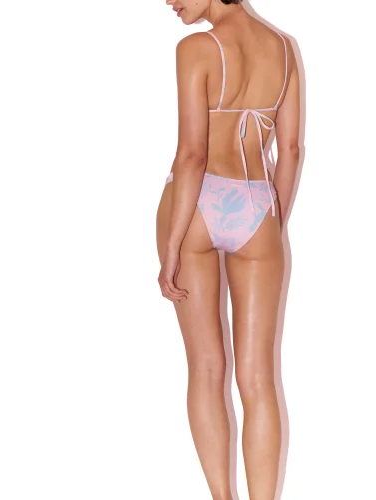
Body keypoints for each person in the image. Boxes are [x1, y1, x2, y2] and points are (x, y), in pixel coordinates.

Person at [156, 0, 300, 498]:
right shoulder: (284, 49)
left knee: (206, 368)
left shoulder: (196, 49)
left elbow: (192, 154)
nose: (168, 1)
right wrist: (272, 224)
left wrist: (171, 247)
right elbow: (291, 150)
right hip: (258, 203)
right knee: (259, 379)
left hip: (195, 207)